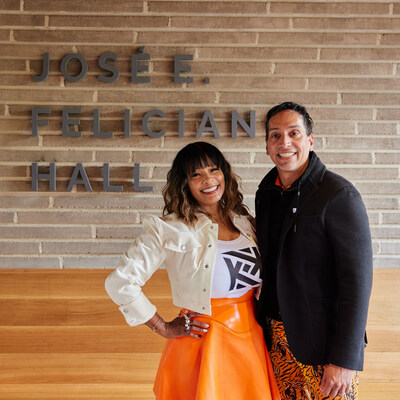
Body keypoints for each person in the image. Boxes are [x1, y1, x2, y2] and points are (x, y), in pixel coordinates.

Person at [105, 141, 280, 400]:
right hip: (204, 343)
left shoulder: (243, 220)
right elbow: (120, 282)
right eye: (196, 174)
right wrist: (162, 327)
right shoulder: (169, 228)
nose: (208, 179)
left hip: (251, 337)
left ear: (225, 174)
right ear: (184, 183)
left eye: (213, 169)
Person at [255, 102, 373, 400]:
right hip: (277, 340)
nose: (284, 143)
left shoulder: (338, 194)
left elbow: (357, 285)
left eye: (294, 133)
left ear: (310, 140)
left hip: (326, 347)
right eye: (275, 135)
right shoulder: (266, 192)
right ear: (267, 145)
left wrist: (345, 359)